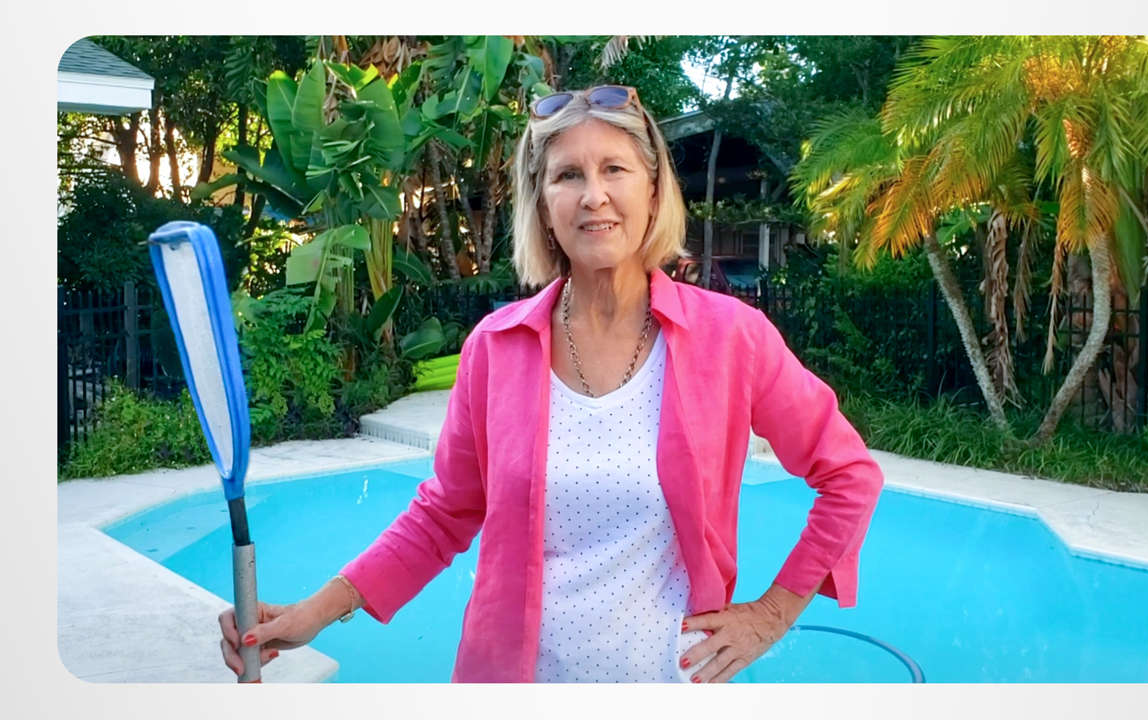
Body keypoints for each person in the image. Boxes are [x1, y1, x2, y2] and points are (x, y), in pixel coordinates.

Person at [219, 84, 884, 683]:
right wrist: (315, 611)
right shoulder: (495, 348)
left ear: (654, 191)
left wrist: (771, 614)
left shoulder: (731, 338)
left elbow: (850, 474)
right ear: (542, 204)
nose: (594, 195)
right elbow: (443, 514)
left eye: (614, 169)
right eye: (568, 175)